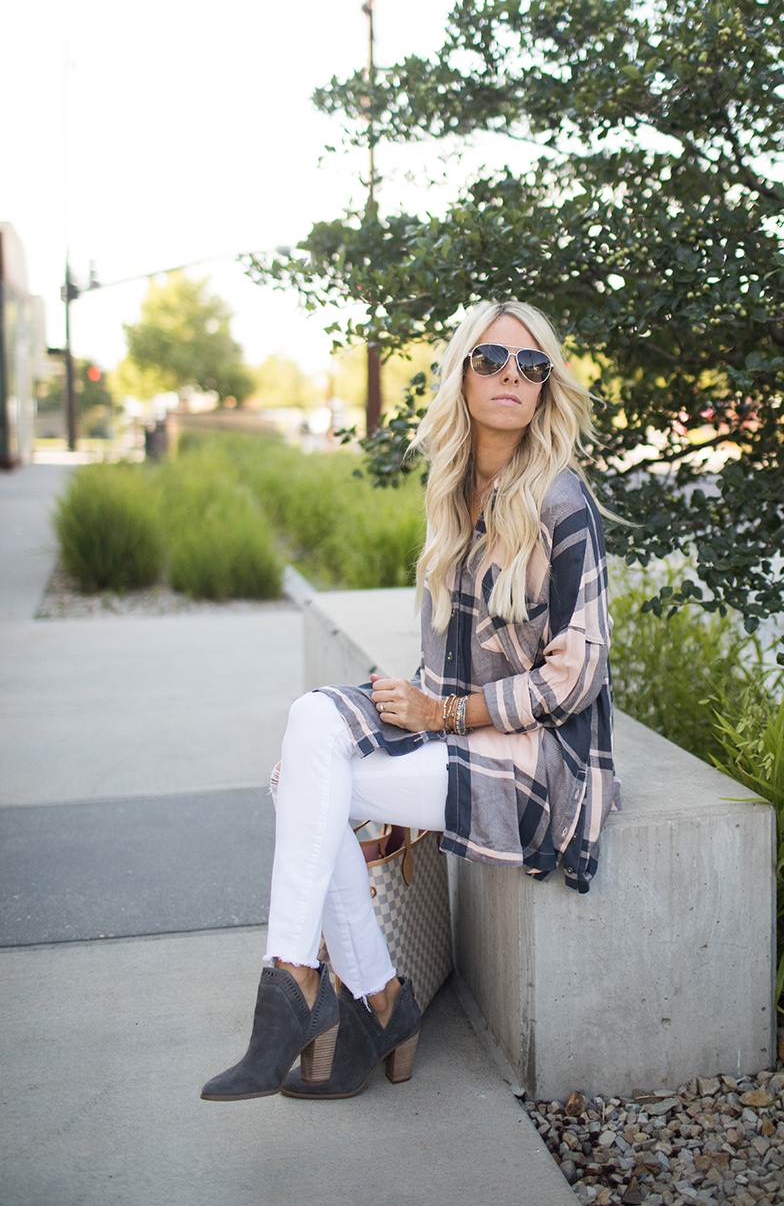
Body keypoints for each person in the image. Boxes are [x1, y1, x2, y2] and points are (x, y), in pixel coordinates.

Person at [200, 300, 619, 1103]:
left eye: (531, 366)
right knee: (311, 731)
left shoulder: (563, 503)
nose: (511, 376)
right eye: (491, 359)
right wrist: (418, 711)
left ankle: (337, 994)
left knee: (304, 787)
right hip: (455, 727)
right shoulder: (453, 488)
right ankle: (344, 990)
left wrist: (443, 717)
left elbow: (577, 677)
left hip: (540, 763)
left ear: (546, 388)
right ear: (462, 375)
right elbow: (445, 658)